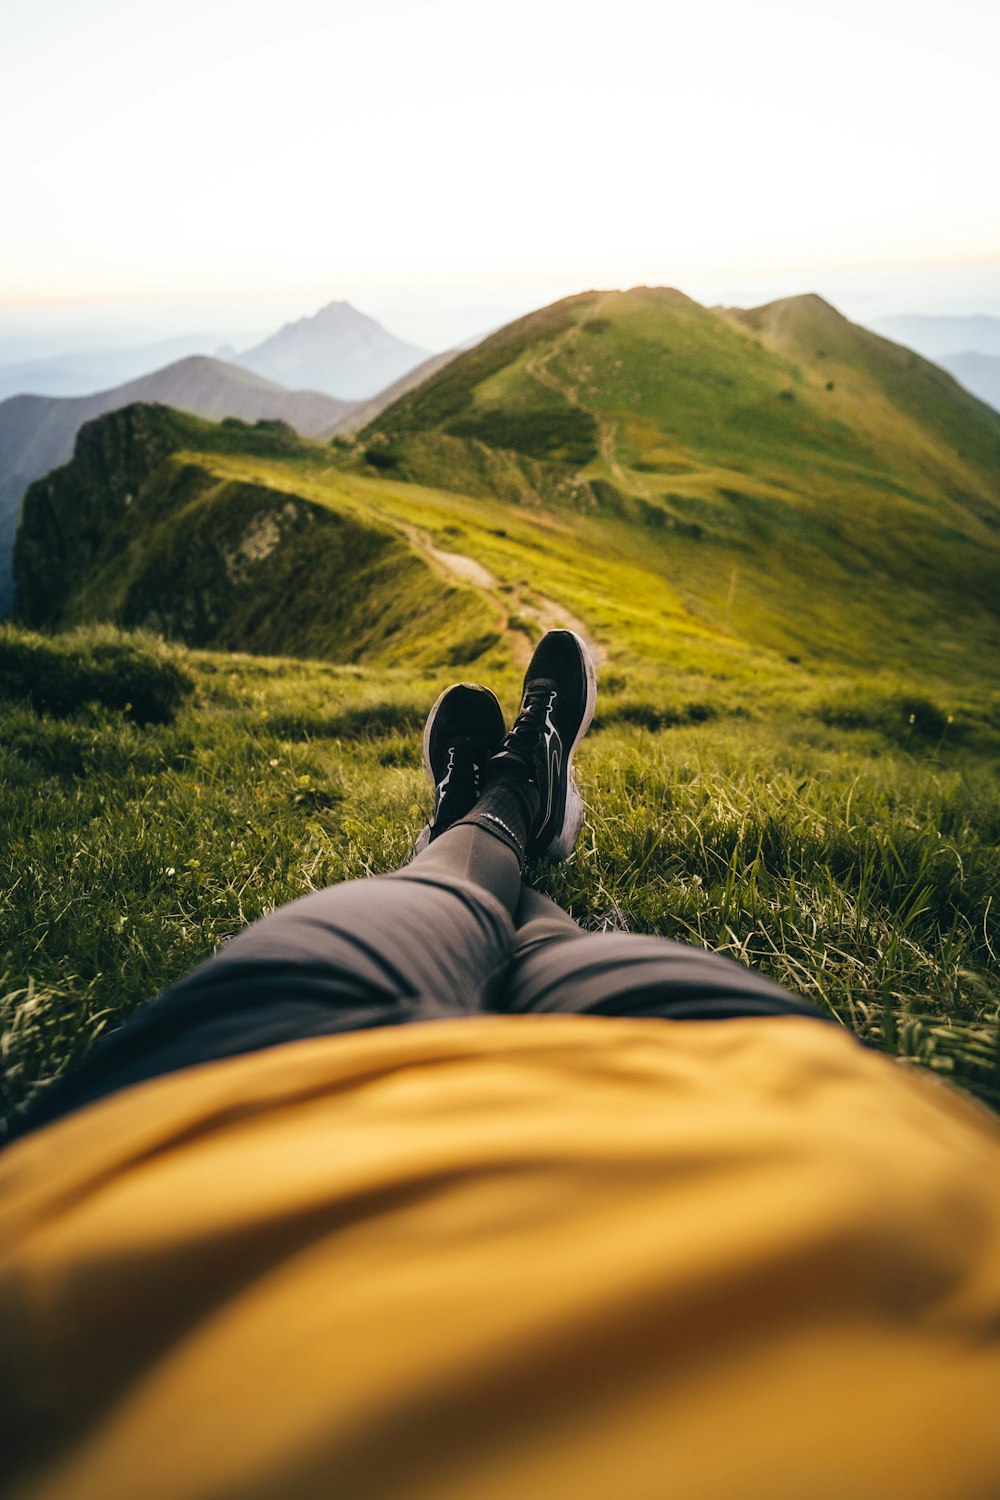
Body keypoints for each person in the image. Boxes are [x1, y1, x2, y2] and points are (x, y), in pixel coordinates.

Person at [2, 630, 1000, 1500]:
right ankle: (526, 795)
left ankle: (480, 823)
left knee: (432, 902)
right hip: (776, 1122)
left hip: (220, 1130)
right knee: (562, 946)